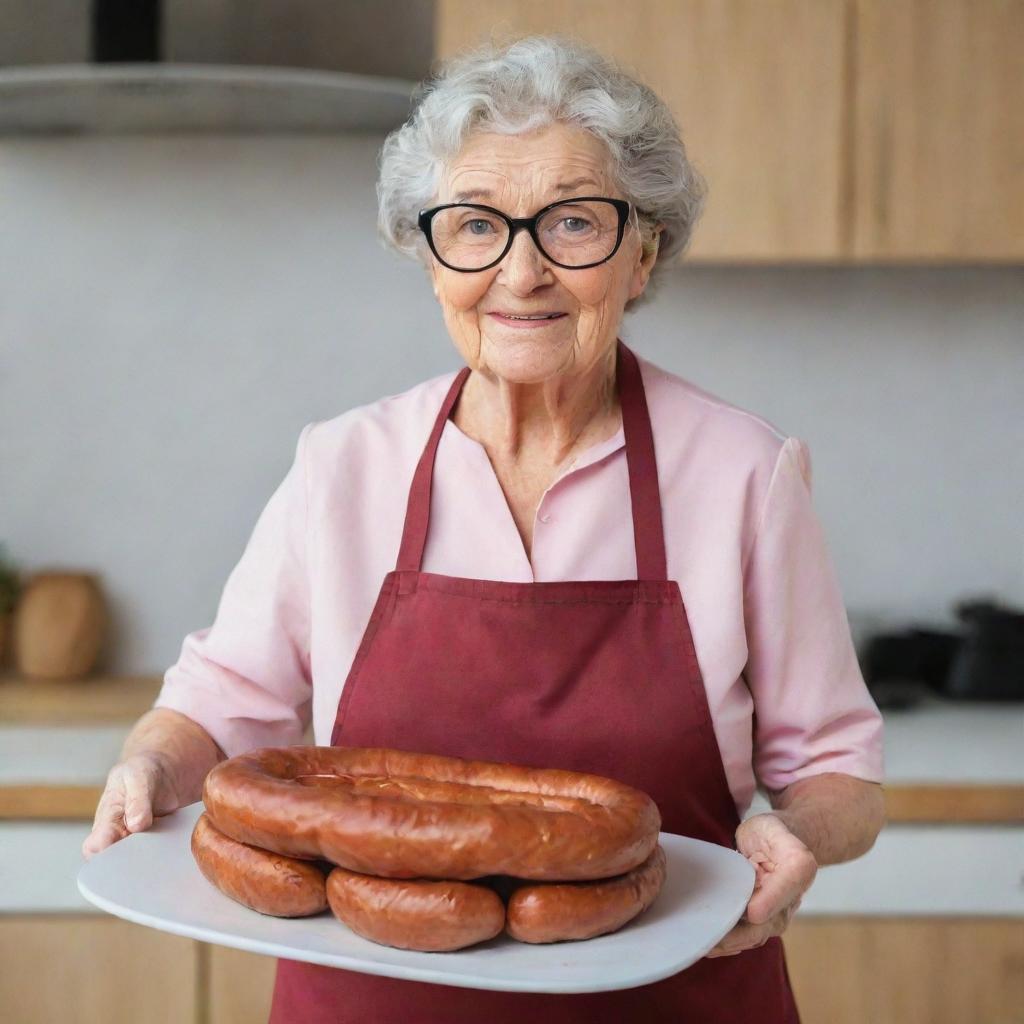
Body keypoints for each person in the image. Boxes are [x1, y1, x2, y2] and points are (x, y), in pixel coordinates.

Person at [82, 35, 885, 1023]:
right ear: (429, 258)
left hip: (675, 997)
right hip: (368, 1003)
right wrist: (152, 765)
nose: (522, 271)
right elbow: (219, 701)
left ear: (643, 255)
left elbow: (837, 768)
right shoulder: (344, 465)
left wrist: (797, 831)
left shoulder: (739, 472)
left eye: (574, 223)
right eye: (474, 226)